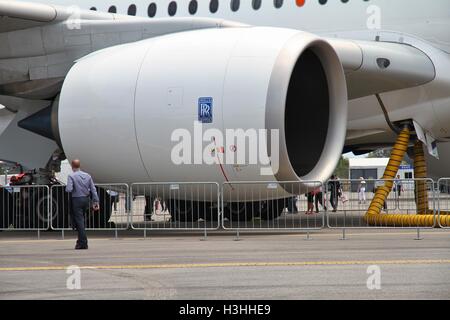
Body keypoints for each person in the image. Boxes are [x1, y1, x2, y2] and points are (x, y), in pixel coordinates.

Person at [66, 159, 99, 250]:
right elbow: (93, 189)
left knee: (79, 222)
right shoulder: (87, 176)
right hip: (86, 199)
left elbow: (69, 189)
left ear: (72, 166)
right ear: (79, 165)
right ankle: (80, 241)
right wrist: (96, 201)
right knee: (81, 221)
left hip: (76, 200)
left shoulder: (71, 176)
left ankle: (83, 243)